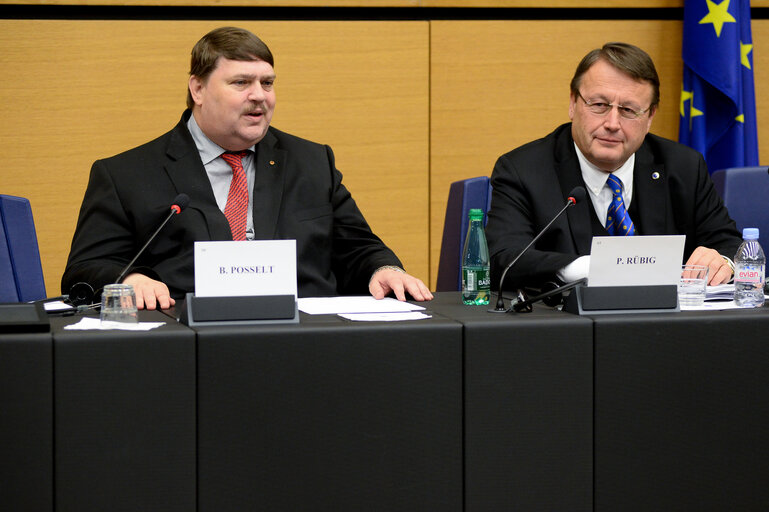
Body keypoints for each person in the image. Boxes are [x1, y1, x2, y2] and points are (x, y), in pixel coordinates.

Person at [62, 26, 432, 310]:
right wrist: (133, 278)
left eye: (267, 83)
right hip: (186, 344)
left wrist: (385, 269)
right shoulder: (127, 174)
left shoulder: (311, 161)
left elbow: (358, 249)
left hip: (307, 340)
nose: (259, 95)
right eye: (241, 82)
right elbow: (87, 268)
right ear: (198, 89)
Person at [485, 42, 742, 292]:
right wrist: (595, 268)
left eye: (629, 110)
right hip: (570, 330)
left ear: (650, 116)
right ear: (573, 103)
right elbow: (504, 259)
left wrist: (723, 262)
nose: (612, 123)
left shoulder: (683, 166)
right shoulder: (523, 170)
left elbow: (730, 244)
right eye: (599, 105)